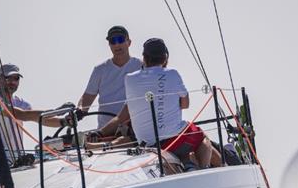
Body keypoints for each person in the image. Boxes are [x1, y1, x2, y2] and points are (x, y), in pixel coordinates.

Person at [124, 38, 217, 169]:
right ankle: (203, 168)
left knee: (180, 132)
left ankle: (187, 163)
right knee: (202, 137)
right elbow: (185, 104)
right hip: (173, 141)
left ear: (144, 58)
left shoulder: (129, 79)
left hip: (147, 144)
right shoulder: (173, 74)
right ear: (165, 57)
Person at [0, 63, 73, 165]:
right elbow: (23, 115)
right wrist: (57, 111)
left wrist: (64, 122)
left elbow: (40, 119)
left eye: (16, 78)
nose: (12, 82)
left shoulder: (22, 103)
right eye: (8, 78)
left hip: (18, 160)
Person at [78, 26, 143, 131]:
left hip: (134, 130)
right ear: (109, 45)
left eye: (120, 40)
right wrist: (80, 110)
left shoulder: (141, 66)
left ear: (129, 42)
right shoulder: (100, 69)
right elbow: (87, 97)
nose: (117, 45)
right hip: (105, 131)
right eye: (113, 41)